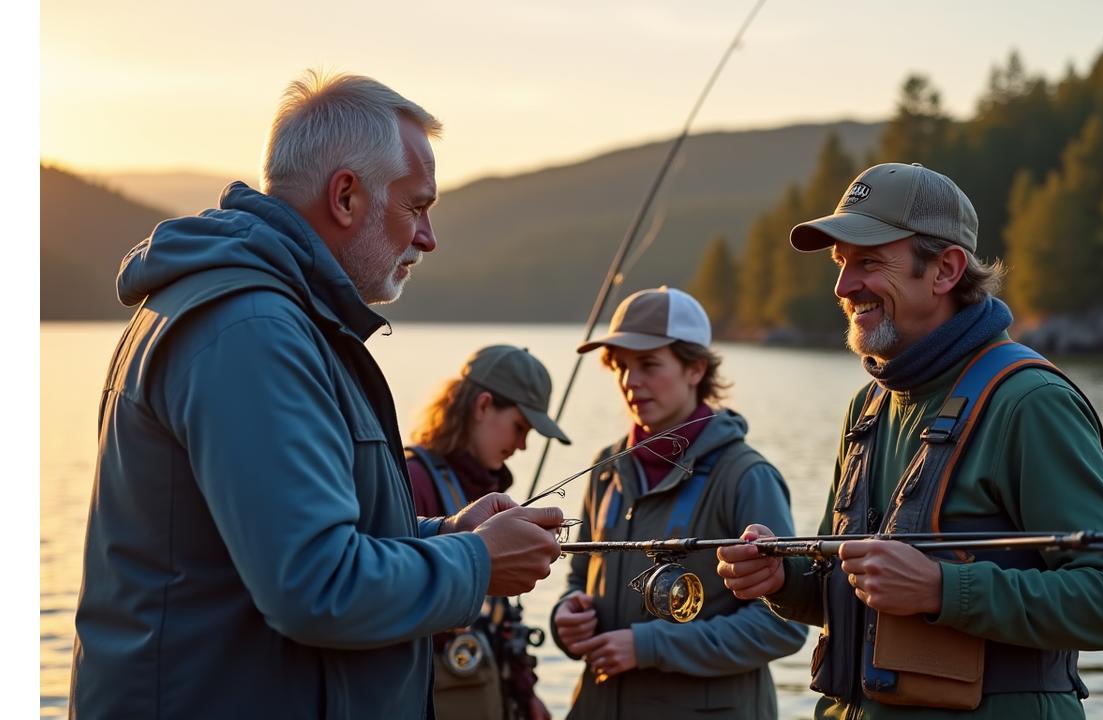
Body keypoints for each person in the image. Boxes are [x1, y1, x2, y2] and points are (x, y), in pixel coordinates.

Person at [69, 70, 563, 719]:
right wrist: (474, 563)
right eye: (416, 206)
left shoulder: (268, 320)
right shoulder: (251, 333)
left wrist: (445, 533)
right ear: (347, 197)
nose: (428, 237)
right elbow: (314, 585)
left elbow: (299, 536)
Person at [715, 162, 1103, 719]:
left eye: (868, 262)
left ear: (945, 270)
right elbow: (843, 585)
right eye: (841, 263)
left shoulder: (1029, 402)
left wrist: (944, 589)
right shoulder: (868, 406)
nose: (844, 286)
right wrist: (781, 577)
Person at [551, 286, 808, 719]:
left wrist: (649, 646)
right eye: (621, 367)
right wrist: (567, 617)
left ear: (696, 369)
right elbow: (579, 579)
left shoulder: (747, 476)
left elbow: (783, 625)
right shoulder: (605, 469)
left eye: (649, 365)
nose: (630, 382)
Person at [405, 344, 572, 720]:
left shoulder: (484, 488)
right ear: (482, 406)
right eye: (520, 427)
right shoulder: (412, 481)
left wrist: (526, 695)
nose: (524, 445)